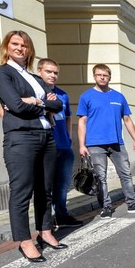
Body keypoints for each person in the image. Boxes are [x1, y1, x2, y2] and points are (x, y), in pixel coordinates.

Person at [0, 30, 68, 263]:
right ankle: (25, 240)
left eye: (24, 45)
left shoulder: (37, 78)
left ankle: (45, 232)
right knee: (22, 190)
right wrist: (42, 104)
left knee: (45, 189)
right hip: (21, 137)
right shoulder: (0, 72)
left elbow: (58, 105)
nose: (20, 48)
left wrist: (35, 101)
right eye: (15, 44)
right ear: (6, 46)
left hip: (47, 136)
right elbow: (15, 105)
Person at [77, 64, 135, 219]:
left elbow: (127, 119)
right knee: (100, 177)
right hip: (95, 143)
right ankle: (106, 207)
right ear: (94, 76)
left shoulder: (118, 96)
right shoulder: (86, 96)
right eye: (99, 75)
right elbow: (82, 121)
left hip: (117, 143)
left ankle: (132, 204)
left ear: (110, 77)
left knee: (125, 174)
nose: (102, 77)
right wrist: (82, 144)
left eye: (105, 75)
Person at [36, 59, 82, 228]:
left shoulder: (63, 94)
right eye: (49, 71)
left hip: (64, 146)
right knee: (45, 186)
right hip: (45, 146)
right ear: (39, 71)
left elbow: (68, 116)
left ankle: (62, 216)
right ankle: (45, 222)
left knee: (62, 185)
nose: (53, 75)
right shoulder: (34, 92)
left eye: (56, 72)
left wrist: (69, 138)